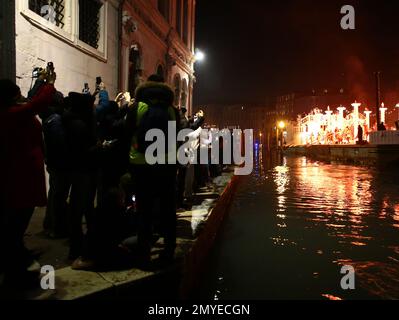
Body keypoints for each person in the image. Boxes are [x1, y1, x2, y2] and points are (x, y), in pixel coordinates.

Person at [0, 73, 56, 287]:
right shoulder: (11, 114)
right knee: (16, 222)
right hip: (19, 175)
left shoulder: (12, 112)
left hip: (20, 173)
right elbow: (37, 103)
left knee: (15, 222)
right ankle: (14, 272)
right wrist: (49, 83)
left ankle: (17, 257)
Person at [125, 74, 180, 265]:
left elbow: (127, 135)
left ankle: (144, 252)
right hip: (166, 166)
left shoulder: (137, 108)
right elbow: (178, 139)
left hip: (141, 165)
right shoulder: (172, 110)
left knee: (144, 209)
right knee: (167, 209)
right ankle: (169, 249)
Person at [62, 92, 98, 260]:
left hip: (79, 169)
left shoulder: (74, 120)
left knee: (80, 207)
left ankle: (80, 243)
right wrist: (99, 149)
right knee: (78, 208)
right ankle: (77, 246)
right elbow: (82, 150)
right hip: (81, 169)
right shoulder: (78, 124)